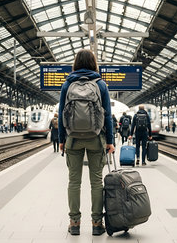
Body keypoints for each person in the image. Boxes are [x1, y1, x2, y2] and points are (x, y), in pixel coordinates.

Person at [58, 49, 114, 236]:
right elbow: (107, 116)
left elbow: (61, 115)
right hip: (96, 139)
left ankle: (74, 223)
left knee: (74, 182)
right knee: (96, 182)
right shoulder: (101, 84)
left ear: (75, 63)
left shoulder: (67, 84)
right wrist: (111, 141)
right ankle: (97, 224)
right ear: (93, 63)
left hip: (73, 139)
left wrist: (61, 140)